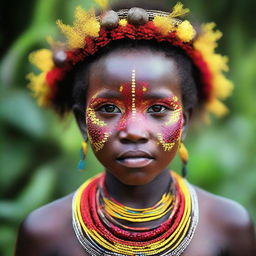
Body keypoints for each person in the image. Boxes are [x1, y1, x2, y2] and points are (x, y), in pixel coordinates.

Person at [15, 1, 255, 255]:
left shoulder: (228, 225)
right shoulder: (44, 232)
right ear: (82, 122)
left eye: (157, 109)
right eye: (108, 109)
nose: (134, 131)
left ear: (184, 121)